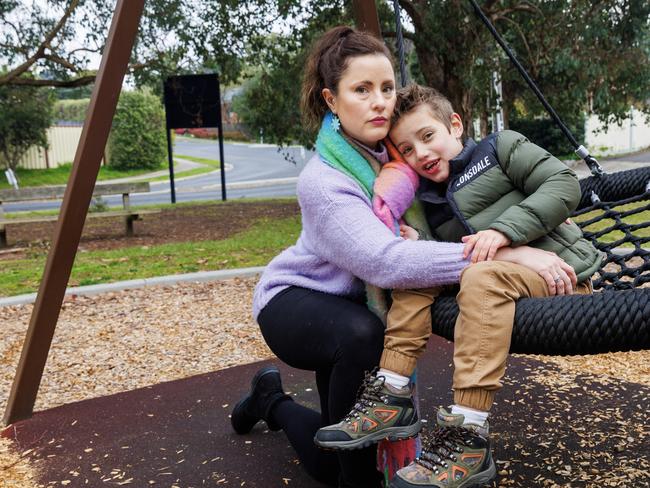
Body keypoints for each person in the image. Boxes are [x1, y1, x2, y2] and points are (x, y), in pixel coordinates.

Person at [230, 26, 575, 488]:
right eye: (362, 90)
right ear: (332, 100)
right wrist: (508, 252)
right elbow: (387, 263)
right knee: (358, 370)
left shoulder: (398, 157)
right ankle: (271, 400)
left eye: (387, 88)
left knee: (341, 435)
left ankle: (273, 400)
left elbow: (459, 207)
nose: (379, 101)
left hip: (352, 306)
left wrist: (538, 226)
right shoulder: (324, 181)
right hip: (300, 300)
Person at [314, 84, 603, 488]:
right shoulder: (429, 198)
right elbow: (455, 255)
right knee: (418, 273)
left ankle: (468, 434)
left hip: (560, 275)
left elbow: (563, 183)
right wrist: (423, 245)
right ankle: (392, 393)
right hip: (498, 284)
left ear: (454, 124)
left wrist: (504, 231)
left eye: (427, 137)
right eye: (407, 150)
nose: (422, 155)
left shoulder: (499, 148)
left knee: (483, 275)